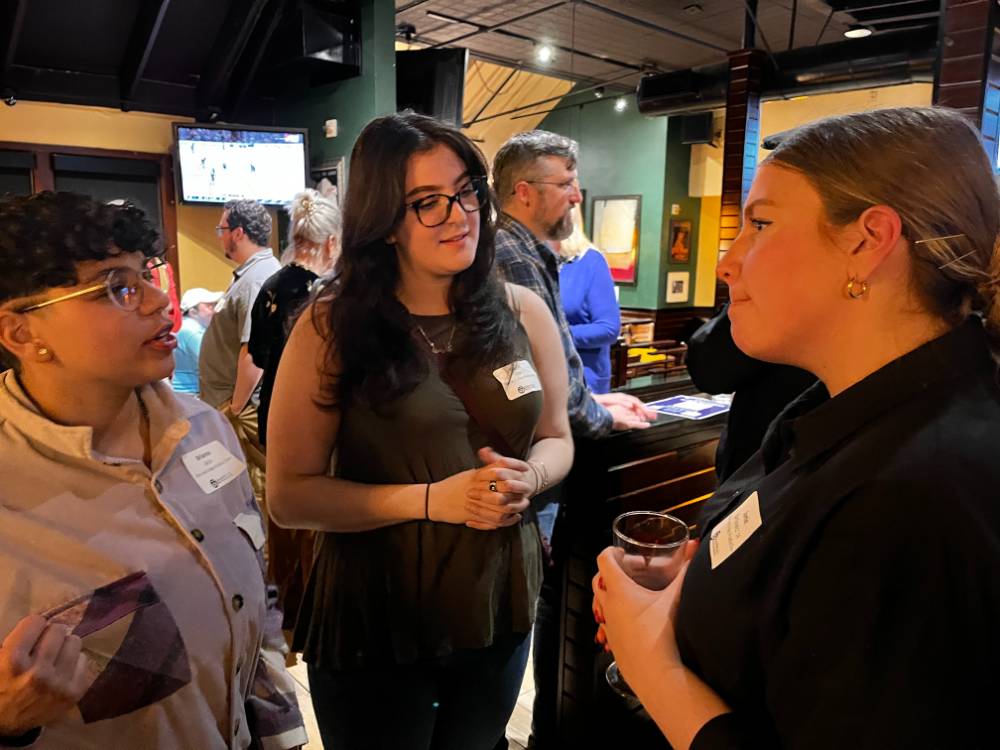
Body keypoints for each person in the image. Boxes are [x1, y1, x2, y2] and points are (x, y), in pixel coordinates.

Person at [593, 106, 1000, 749]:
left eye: (760, 224)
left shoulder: (911, 497)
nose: (729, 262)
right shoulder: (837, 409)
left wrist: (653, 666)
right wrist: (701, 591)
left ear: (867, 243)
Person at [266, 112, 575, 750]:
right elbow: (290, 495)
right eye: (426, 203)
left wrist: (532, 476)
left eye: (464, 192)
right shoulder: (330, 327)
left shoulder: (524, 310)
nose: (458, 215)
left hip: (499, 602)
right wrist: (434, 500)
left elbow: (556, 435)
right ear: (384, 221)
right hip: (378, 613)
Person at [0, 192, 306, 748]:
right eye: (116, 286)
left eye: (147, 275)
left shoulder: (205, 429)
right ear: (23, 333)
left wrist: (281, 730)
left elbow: (256, 601)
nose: (158, 302)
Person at [492, 129, 655, 749]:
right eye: (565, 184)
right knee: (521, 603)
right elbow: (545, 362)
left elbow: (556, 360)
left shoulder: (519, 247)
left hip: (529, 451)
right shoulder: (513, 252)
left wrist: (597, 399)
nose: (576, 196)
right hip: (522, 461)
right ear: (525, 191)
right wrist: (600, 415)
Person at [248, 188, 340, 633]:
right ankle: (312, 619)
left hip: (274, 416)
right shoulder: (329, 295)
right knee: (315, 526)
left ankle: (284, 616)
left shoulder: (272, 286)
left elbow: (261, 358)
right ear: (332, 242)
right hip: (319, 421)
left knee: (281, 522)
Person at [199, 198, 280, 510]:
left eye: (221, 229)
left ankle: (268, 560)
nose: (219, 235)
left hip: (243, 408)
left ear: (238, 233)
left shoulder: (257, 279)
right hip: (235, 404)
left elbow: (256, 352)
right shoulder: (251, 275)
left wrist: (233, 407)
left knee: (257, 495)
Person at [685, 302, 816, 481]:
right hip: (833, 456)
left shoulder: (774, 295)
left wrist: (742, 298)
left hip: (766, 464)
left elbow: (710, 370)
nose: (724, 273)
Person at [557, 203, 620, 395]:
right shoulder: (530, 260)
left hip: (584, 378)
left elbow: (608, 328)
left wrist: (555, 337)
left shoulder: (590, 261)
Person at [171, 287, 221, 396]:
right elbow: (213, 363)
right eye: (209, 306)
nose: (214, 310)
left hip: (185, 391)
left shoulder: (185, 326)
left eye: (213, 305)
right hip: (190, 392)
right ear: (193, 312)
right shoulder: (192, 331)